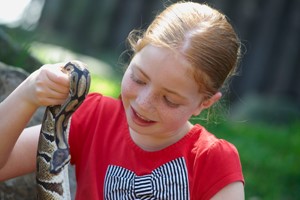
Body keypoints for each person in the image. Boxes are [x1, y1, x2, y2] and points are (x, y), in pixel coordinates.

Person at [0, 1, 244, 199]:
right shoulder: (95, 118)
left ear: (205, 102)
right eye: (138, 79)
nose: (144, 103)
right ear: (134, 54)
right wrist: (27, 93)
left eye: (169, 100)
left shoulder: (213, 161)